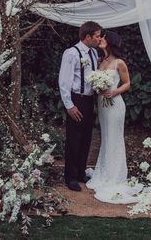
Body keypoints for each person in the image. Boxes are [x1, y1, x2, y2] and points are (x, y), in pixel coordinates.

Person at [86, 30, 143, 203]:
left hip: (115, 105)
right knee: (106, 137)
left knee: (115, 138)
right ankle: (104, 171)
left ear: (109, 42)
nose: (100, 39)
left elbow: (127, 83)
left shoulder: (119, 63)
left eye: (103, 38)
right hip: (103, 105)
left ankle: (115, 175)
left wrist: (114, 91)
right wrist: (98, 88)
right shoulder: (101, 60)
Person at [59, 21, 102, 191]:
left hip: (89, 100)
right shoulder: (71, 53)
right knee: (74, 140)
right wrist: (69, 106)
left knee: (86, 138)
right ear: (88, 36)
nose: (99, 39)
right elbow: (64, 82)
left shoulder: (93, 52)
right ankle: (70, 177)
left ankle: (80, 172)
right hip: (76, 100)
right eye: (97, 36)